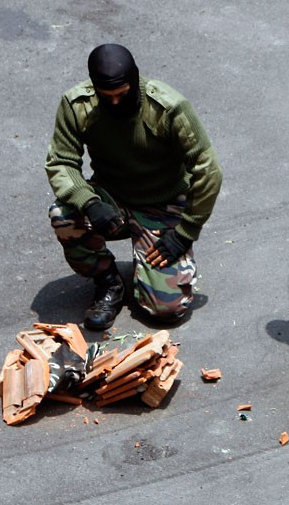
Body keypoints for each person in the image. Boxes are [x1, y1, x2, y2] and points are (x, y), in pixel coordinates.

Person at [46, 44, 223, 330]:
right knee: (63, 215)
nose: (115, 102)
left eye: (122, 94)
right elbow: (61, 163)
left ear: (134, 80)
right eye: (107, 97)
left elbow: (208, 170)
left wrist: (186, 232)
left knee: (167, 309)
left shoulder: (168, 107)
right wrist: (89, 202)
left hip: (162, 202)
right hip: (110, 198)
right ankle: (108, 282)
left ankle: (151, 263)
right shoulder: (77, 105)